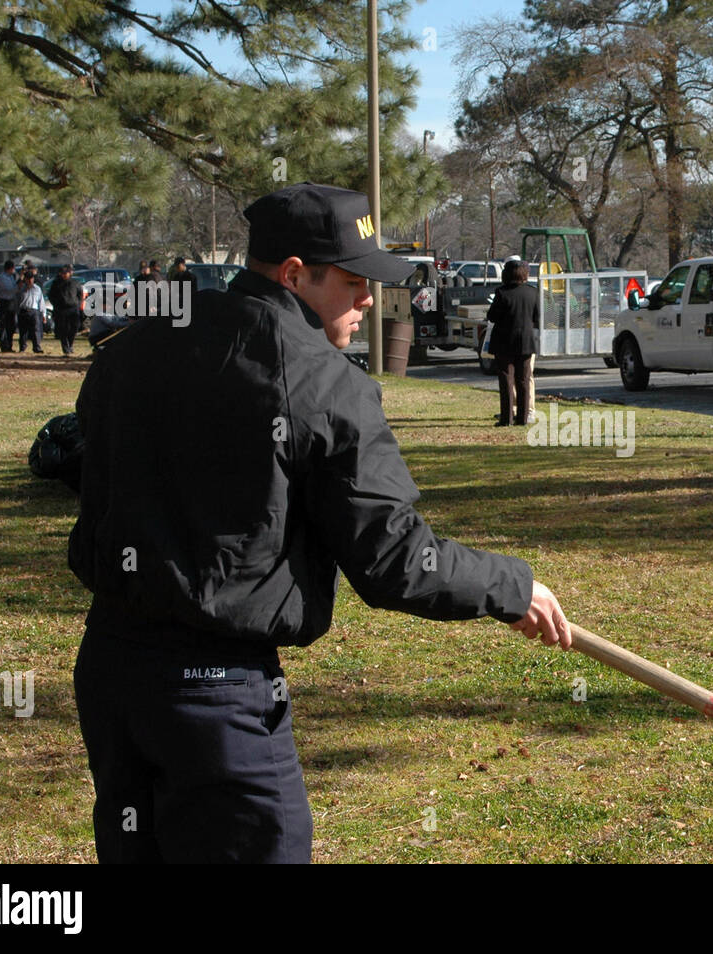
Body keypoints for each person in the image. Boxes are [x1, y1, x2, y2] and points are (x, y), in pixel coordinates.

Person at [69, 182, 572, 864]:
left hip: (111, 673)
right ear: (295, 274)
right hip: (217, 694)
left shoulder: (132, 350)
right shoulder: (321, 379)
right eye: (353, 281)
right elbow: (394, 560)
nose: (369, 299)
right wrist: (510, 586)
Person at [486, 259, 539, 426]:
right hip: (525, 341)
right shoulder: (533, 292)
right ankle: (523, 418)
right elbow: (537, 318)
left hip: (503, 341)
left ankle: (506, 418)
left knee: (506, 380)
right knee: (523, 379)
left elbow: (492, 316)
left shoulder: (502, 293)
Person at [48, 264, 85, 356]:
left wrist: (78, 304)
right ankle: (65, 348)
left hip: (73, 308)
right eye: (63, 273)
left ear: (70, 273)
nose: (65, 275)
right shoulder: (56, 284)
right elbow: (51, 296)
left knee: (74, 328)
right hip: (61, 309)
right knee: (63, 330)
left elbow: (80, 294)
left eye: (66, 273)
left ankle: (70, 344)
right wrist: (56, 305)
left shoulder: (75, 283)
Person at [16, 271, 45, 353]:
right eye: (28, 279)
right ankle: (22, 347)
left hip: (34, 311)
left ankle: (37, 347)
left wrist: (43, 314)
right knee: (23, 331)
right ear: (25, 279)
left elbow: (41, 302)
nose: (30, 281)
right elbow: (16, 300)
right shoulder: (21, 288)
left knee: (36, 330)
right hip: (23, 310)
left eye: (31, 279)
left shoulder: (37, 289)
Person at [0, 260, 19, 352]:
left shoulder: (12, 277)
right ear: (10, 268)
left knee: (11, 325)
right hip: (3, 302)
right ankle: (4, 345)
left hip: (11, 302)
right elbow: (9, 289)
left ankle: (9, 345)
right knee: (3, 324)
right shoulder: (2, 277)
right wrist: (18, 286)